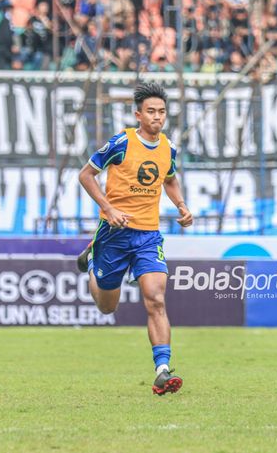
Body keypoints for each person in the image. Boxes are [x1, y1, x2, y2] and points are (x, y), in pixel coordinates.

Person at [76, 82, 193, 396]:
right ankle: (92, 265)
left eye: (162, 112)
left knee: (155, 298)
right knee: (106, 306)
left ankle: (162, 370)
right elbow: (85, 175)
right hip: (113, 234)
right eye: (151, 112)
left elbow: (169, 178)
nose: (157, 117)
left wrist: (181, 205)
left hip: (147, 235)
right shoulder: (122, 143)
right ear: (138, 114)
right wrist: (108, 208)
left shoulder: (168, 148)